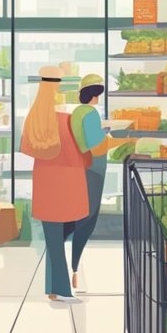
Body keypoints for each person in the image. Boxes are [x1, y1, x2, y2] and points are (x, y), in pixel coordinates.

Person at [21, 67, 89, 302]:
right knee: (60, 236)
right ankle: (61, 289)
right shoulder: (69, 120)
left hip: (46, 184)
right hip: (68, 185)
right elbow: (84, 153)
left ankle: (53, 287)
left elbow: (26, 148)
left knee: (53, 238)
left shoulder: (35, 117)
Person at [68, 74, 109, 289]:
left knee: (79, 216)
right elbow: (97, 147)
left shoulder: (76, 113)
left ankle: (72, 268)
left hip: (81, 168)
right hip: (94, 169)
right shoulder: (90, 114)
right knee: (87, 220)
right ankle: (74, 269)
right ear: (94, 94)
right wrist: (122, 140)